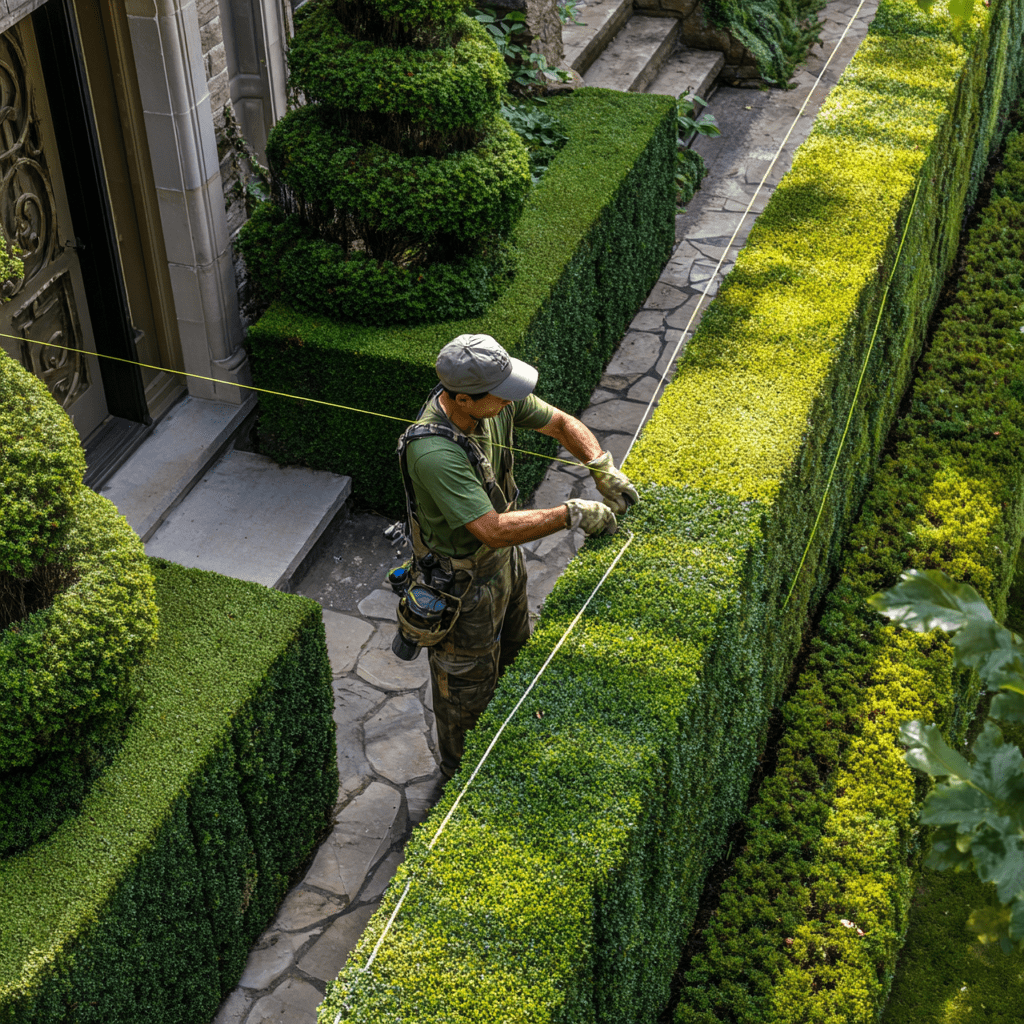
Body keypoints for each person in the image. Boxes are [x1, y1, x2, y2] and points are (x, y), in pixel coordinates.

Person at [396, 333, 639, 779]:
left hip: (504, 568)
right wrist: (571, 513)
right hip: (461, 591)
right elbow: (490, 529)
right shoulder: (433, 451)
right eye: (502, 394)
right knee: (466, 697)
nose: (513, 401)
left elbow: (562, 424)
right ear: (464, 399)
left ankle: (511, 749)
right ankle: (463, 779)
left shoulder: (496, 401)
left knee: (514, 658)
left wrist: (600, 466)